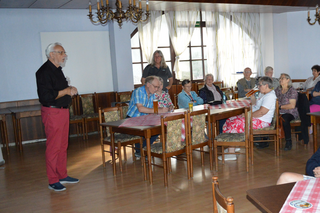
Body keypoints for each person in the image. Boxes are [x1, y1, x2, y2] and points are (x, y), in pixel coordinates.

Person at [36, 42, 79, 192]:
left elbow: (60, 90)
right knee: (53, 147)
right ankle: (53, 180)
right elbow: (46, 96)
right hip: (52, 112)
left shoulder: (58, 70)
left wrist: (69, 89)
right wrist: (66, 91)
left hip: (63, 111)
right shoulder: (43, 72)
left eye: (64, 52)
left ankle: (62, 175)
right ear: (52, 54)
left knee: (63, 146)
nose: (64, 55)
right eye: (61, 52)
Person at [221, 76, 276, 160]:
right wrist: (252, 96)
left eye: (260, 85)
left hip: (261, 121)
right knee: (230, 119)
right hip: (256, 117)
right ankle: (233, 145)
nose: (258, 86)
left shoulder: (270, 96)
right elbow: (255, 105)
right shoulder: (263, 93)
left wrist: (248, 115)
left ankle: (231, 153)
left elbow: (262, 112)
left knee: (234, 123)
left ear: (266, 85)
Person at [127, 75, 169, 158]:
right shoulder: (138, 91)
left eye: (158, 87)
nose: (156, 89)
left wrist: (162, 109)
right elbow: (141, 109)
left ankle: (144, 149)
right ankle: (140, 150)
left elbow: (152, 108)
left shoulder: (152, 93)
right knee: (147, 129)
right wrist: (159, 110)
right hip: (133, 119)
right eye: (155, 87)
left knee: (159, 128)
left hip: (145, 118)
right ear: (148, 84)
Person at [275, 73, 299, 151]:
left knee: (285, 119)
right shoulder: (278, 90)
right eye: (280, 78)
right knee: (268, 117)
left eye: (282, 78)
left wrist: (279, 107)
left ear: (288, 80)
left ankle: (288, 141)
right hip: (278, 111)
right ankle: (264, 139)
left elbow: (292, 105)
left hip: (290, 112)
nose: (280, 80)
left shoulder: (292, 91)